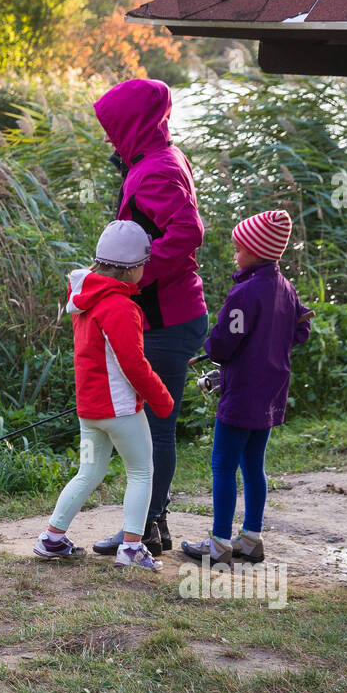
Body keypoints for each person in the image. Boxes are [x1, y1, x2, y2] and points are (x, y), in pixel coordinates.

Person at [91, 78, 208, 558]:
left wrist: (130, 281)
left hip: (167, 316)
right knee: (151, 425)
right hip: (173, 312)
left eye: (112, 127)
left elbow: (187, 232)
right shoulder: (159, 158)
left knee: (154, 426)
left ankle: (146, 527)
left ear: (132, 123)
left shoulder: (155, 170)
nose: (107, 137)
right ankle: (151, 524)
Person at [38, 220, 175, 571]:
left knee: (88, 471)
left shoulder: (84, 301)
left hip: (90, 412)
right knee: (142, 471)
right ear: (131, 268)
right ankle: (131, 548)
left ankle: (52, 538)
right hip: (121, 412)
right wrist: (162, 400)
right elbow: (134, 364)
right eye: (143, 264)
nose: (145, 270)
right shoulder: (121, 307)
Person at [181, 210, 312, 565]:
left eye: (239, 249)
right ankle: (251, 539)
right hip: (272, 391)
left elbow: (224, 344)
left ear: (255, 251)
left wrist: (209, 350)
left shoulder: (245, 293)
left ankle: (219, 543)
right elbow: (302, 330)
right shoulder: (286, 288)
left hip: (242, 393)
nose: (235, 255)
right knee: (254, 464)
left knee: (222, 464)